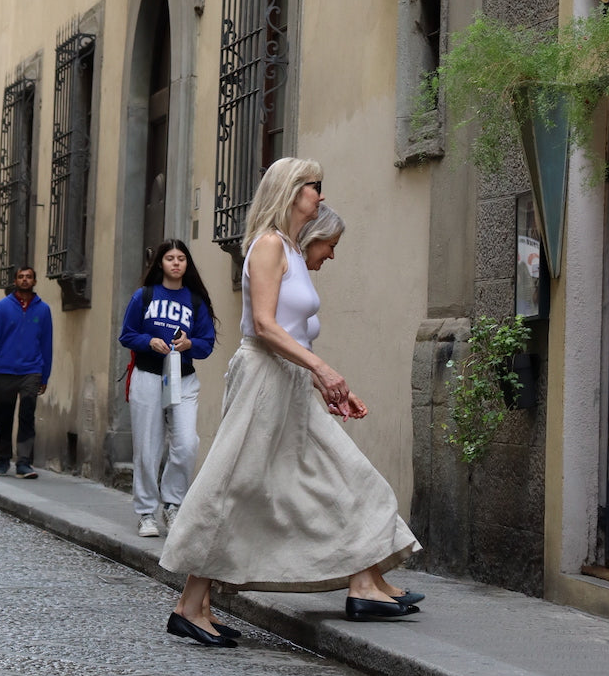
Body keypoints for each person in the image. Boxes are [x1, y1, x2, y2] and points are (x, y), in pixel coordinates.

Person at [159, 158, 422, 648]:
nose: (321, 197)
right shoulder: (267, 246)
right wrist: (321, 370)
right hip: (262, 377)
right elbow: (264, 325)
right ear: (290, 190)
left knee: (346, 474)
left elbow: (295, 330)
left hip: (291, 384)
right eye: (314, 187)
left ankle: (364, 581)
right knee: (236, 483)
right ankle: (190, 604)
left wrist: (323, 382)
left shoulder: (293, 251)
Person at [120, 240, 217, 537]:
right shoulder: (144, 296)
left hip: (183, 378)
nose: (176, 263)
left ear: (187, 264)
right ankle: (146, 512)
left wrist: (190, 344)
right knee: (147, 447)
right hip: (148, 375)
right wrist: (148, 341)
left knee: (187, 444)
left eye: (181, 259)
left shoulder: (196, 300)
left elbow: (206, 343)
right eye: (170, 258)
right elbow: (127, 334)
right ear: (160, 263)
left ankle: (173, 504)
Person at [0, 267, 52, 478]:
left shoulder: (43, 310)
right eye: (21, 277)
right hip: (6, 369)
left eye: (28, 277)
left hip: (32, 369)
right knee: (4, 416)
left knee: (27, 414)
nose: (25, 280)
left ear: (35, 281)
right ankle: (3, 459)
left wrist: (45, 375)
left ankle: (24, 462)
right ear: (15, 280)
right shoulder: (2, 308)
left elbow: (47, 344)